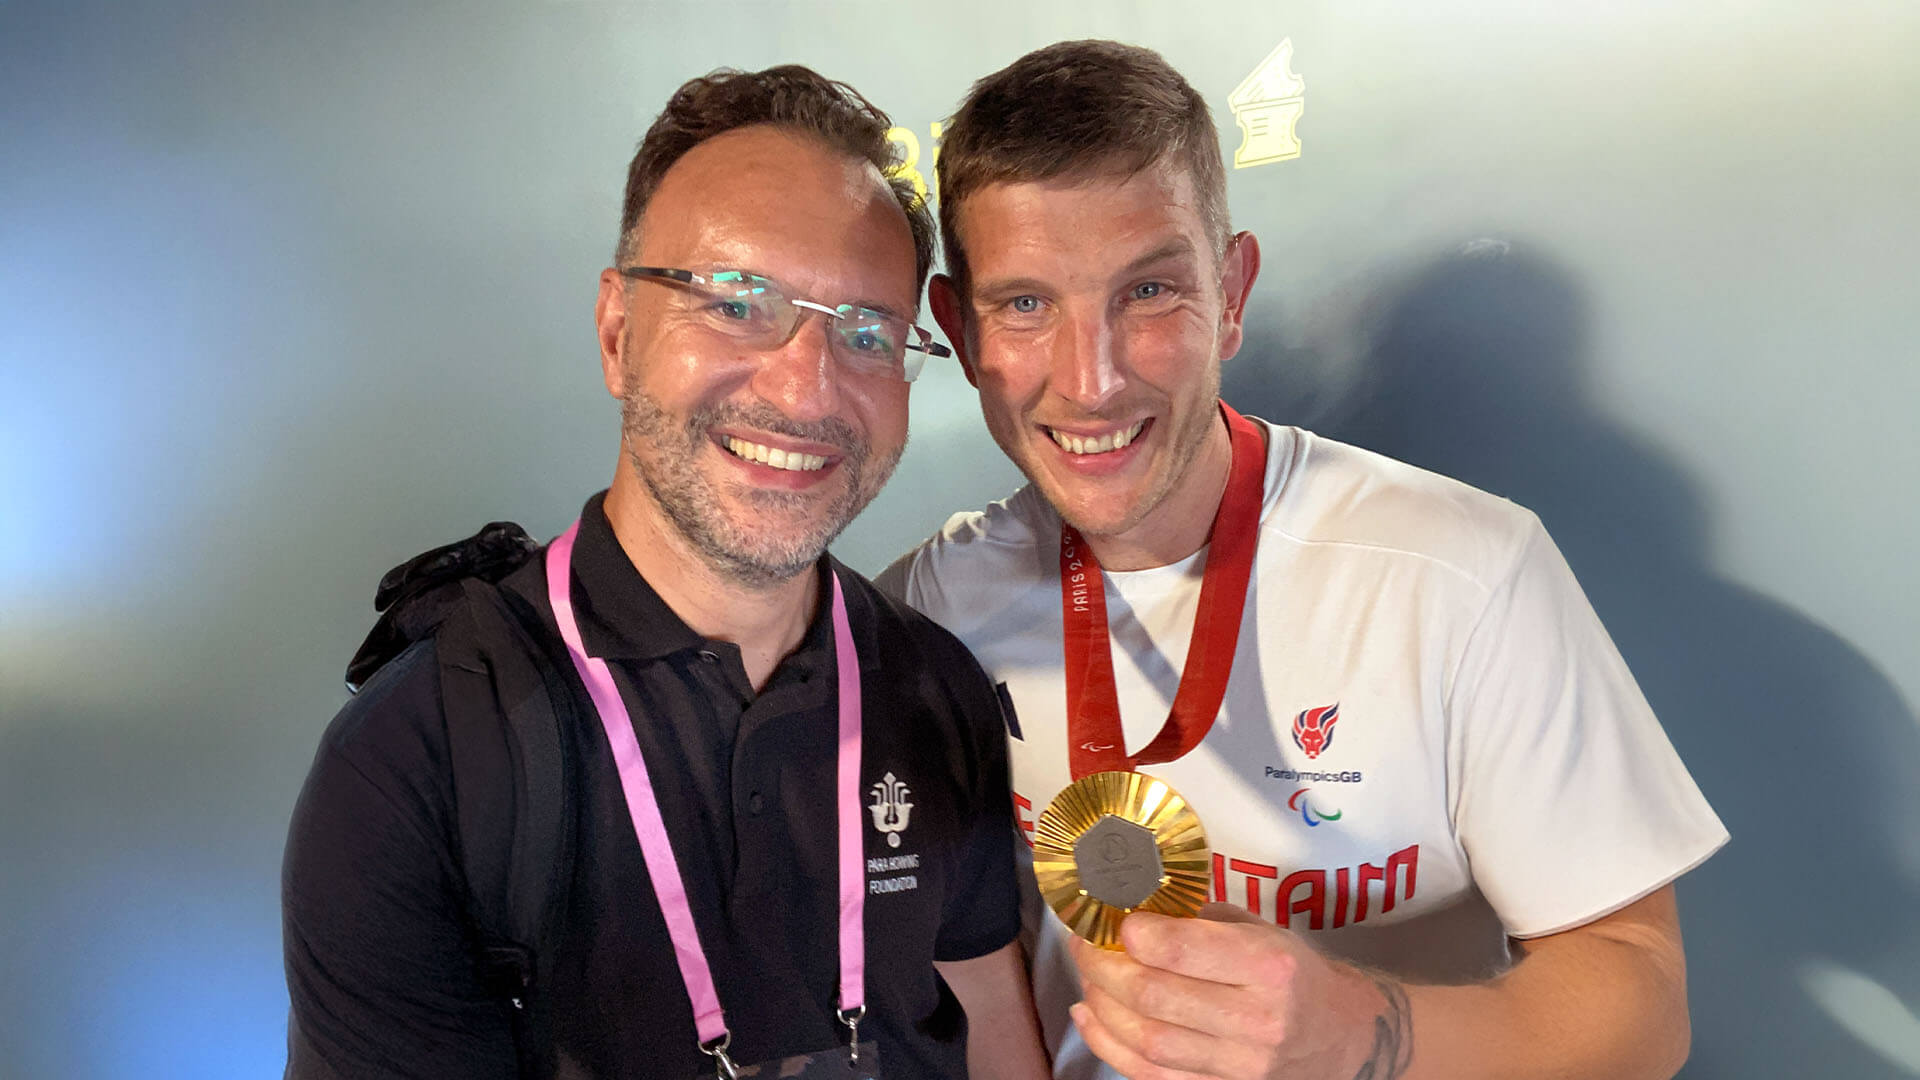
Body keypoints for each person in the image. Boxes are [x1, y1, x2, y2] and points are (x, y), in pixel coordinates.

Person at [879, 40, 1728, 1080]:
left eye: (1148, 291)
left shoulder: (1466, 571)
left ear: (1231, 292)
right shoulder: (928, 605)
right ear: (960, 335)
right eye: (1024, 304)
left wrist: (1362, 1031)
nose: (1090, 379)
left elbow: (1642, 1002)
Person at [282, 65, 1050, 1079]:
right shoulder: (419, 765)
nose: (806, 385)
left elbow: (993, 1025)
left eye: (866, 332)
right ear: (617, 333)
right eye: (737, 302)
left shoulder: (934, 688)